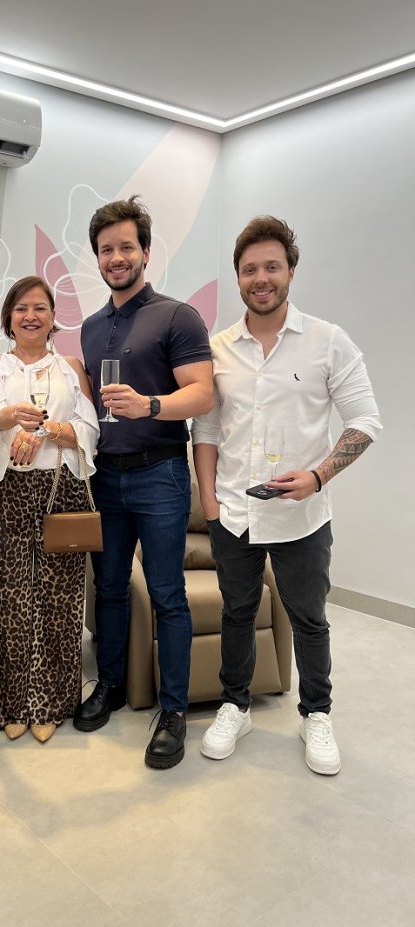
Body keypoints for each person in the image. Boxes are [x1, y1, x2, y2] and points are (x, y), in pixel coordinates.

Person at [192, 216, 381, 775]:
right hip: (234, 511)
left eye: (271, 267)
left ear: (291, 271)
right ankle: (235, 706)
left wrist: (318, 476)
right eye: (250, 269)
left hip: (303, 515)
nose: (261, 278)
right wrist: (210, 503)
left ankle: (316, 714)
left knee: (309, 619)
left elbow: (365, 420)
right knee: (236, 613)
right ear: (238, 278)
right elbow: (206, 431)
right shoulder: (218, 349)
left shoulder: (327, 341)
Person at [75, 196, 214, 770]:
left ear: (146, 251)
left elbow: (203, 394)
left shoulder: (177, 316)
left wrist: (150, 404)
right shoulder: (89, 328)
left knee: (167, 595)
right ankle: (109, 684)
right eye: (106, 249)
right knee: (108, 588)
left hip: (161, 473)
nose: (117, 257)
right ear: (98, 258)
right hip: (106, 477)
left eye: (126, 247)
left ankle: (174, 710)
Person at [0, 275, 99, 743]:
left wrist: (48, 431)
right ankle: (11, 703)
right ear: (9, 317)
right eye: (21, 308)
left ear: (52, 317)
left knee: (59, 597)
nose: (30, 315)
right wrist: (10, 419)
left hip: (60, 489)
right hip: (4, 490)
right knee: (9, 597)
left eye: (40, 307)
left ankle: (50, 702)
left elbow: (90, 427)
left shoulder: (70, 367)